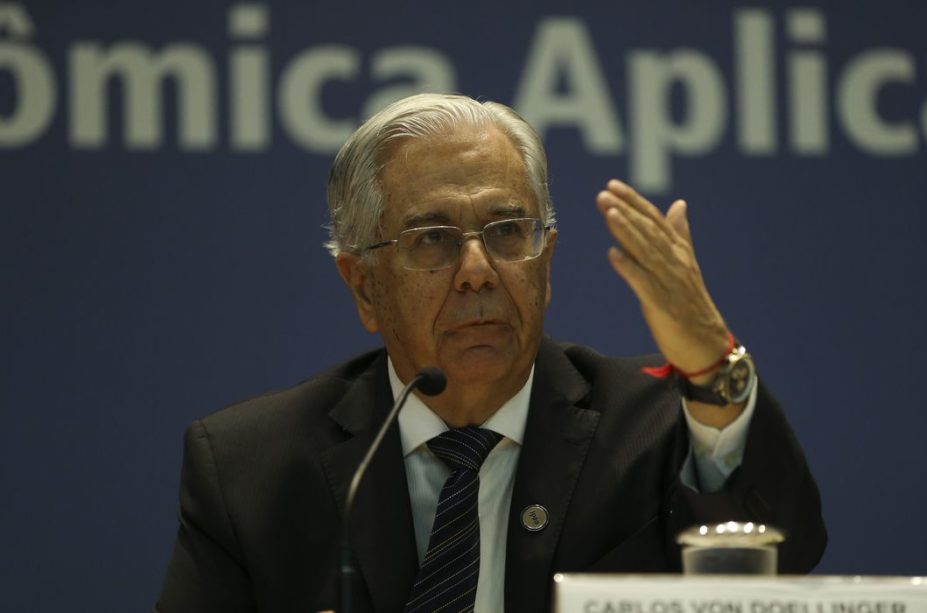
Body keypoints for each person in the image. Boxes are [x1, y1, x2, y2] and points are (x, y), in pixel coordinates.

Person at [155, 93, 826, 613]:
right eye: (433, 238)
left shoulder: (654, 431)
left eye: (508, 231)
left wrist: (712, 363)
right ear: (364, 285)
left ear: (546, 263)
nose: (477, 269)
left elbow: (784, 559)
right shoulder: (251, 471)